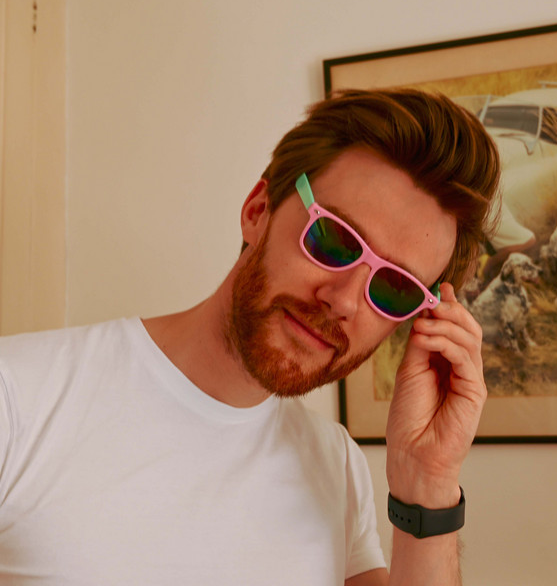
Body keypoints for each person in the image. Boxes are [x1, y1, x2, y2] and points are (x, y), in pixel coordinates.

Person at [0, 89, 500, 585]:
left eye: (393, 288)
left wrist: (427, 481)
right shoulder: (19, 397)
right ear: (258, 211)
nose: (344, 301)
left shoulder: (335, 464)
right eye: (333, 239)